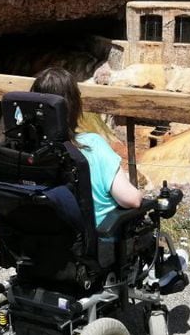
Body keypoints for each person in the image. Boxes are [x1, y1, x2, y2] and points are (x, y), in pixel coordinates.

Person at [30, 66, 141, 228]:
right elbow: (130, 200)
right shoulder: (92, 145)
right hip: (90, 244)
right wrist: (140, 195)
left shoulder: (27, 152)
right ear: (74, 106)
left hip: (41, 242)